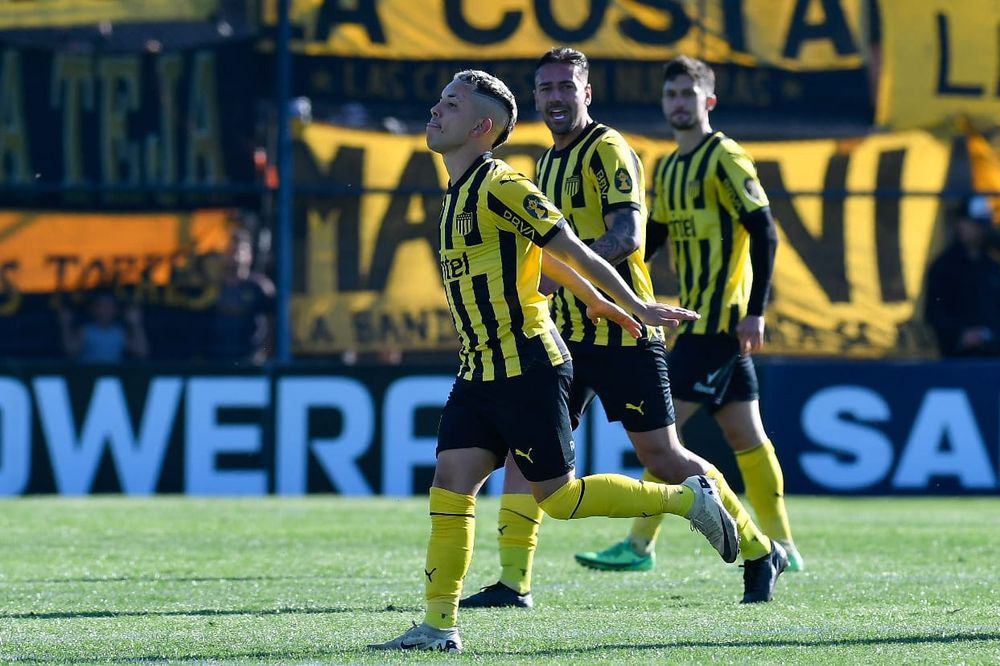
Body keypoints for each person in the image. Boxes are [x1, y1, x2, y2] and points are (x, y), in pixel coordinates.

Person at [370, 69, 739, 653]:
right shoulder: (456, 192)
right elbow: (542, 267)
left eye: (452, 104)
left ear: (482, 127)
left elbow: (566, 245)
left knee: (560, 500)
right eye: (439, 100)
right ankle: (439, 627)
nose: (436, 111)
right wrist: (596, 301)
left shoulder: (503, 185)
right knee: (450, 482)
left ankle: (687, 499)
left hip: (528, 367)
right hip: (478, 371)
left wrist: (634, 303)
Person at [459, 47, 786, 611]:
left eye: (566, 87)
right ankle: (514, 583)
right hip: (563, 336)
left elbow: (629, 237)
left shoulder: (608, 148)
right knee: (523, 448)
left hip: (625, 334)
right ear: (534, 98)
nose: (556, 97)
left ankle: (759, 549)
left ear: (587, 93)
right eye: (546, 89)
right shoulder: (547, 163)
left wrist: (560, 272)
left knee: (664, 457)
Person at [576, 55, 804, 575]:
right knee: (747, 435)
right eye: (671, 95)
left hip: (721, 322)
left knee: (663, 433)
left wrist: (756, 312)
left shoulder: (725, 156)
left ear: (709, 101)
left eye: (688, 94)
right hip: (696, 320)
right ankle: (784, 545)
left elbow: (764, 231)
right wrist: (597, 276)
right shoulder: (671, 166)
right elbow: (653, 238)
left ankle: (638, 545)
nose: (679, 103)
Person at [925, 194, 1000, 357]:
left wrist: (990, 334)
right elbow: (934, 312)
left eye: (981, 225)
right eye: (972, 223)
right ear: (959, 223)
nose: (977, 230)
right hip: (958, 357)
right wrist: (960, 334)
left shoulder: (992, 267)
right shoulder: (944, 267)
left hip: (993, 357)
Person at [208, 226, 275, 364]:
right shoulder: (212, 288)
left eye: (240, 251)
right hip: (217, 363)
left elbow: (273, 329)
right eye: (231, 251)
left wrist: (263, 353)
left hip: (249, 363)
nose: (236, 257)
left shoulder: (261, 288)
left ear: (249, 255)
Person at [58, 290, 149, 362]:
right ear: (92, 309)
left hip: (113, 380)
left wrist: (136, 324)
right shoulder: (86, 331)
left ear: (115, 310)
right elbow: (71, 351)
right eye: (100, 306)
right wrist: (65, 324)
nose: (105, 310)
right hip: (88, 378)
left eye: (109, 306)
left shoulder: (119, 332)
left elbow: (141, 352)